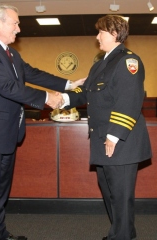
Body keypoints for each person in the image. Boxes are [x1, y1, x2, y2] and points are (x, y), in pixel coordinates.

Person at [0, 4, 85, 240]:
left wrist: (68, 85)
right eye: (15, 23)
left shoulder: (10, 53)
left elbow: (32, 73)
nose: (18, 29)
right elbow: (7, 87)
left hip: (6, 133)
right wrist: (47, 98)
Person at [61, 15, 152, 240]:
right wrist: (61, 99)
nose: (97, 36)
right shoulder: (100, 64)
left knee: (120, 196)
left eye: (100, 32)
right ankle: (122, 233)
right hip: (103, 139)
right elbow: (86, 92)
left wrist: (113, 136)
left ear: (113, 33)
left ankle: (120, 236)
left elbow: (130, 99)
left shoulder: (128, 61)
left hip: (120, 140)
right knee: (110, 192)